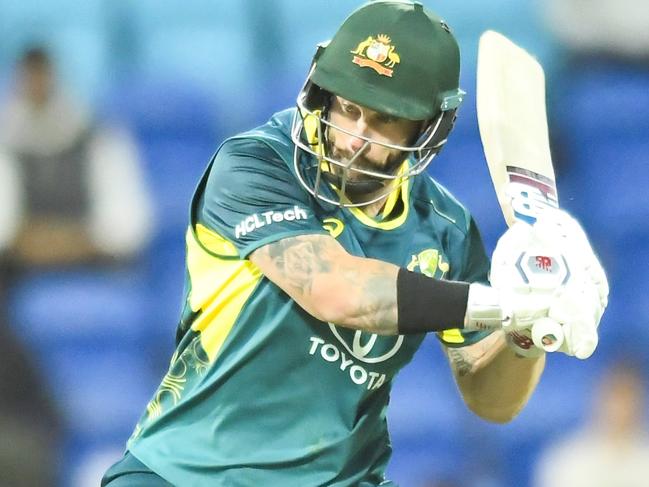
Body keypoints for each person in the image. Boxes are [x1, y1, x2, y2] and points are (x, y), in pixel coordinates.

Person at [102, 2, 608, 485]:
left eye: (385, 118)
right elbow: (337, 291)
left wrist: (522, 331)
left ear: (431, 127)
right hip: (187, 473)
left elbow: (491, 403)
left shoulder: (445, 230)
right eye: (347, 108)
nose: (355, 139)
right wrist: (501, 304)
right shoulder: (256, 164)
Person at [0, 46, 152, 268]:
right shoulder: (6, 143)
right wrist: (31, 242)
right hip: (19, 271)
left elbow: (128, 225)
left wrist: (72, 241)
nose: (37, 88)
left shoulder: (100, 139)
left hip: (95, 263)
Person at [533, 361, 649, 487]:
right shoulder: (566, 457)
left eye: (628, 396)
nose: (621, 407)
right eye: (615, 395)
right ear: (599, 397)